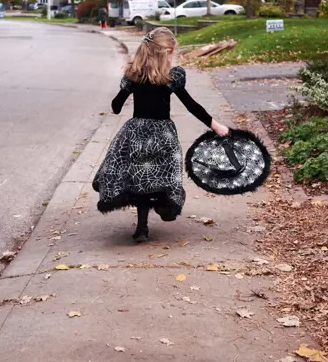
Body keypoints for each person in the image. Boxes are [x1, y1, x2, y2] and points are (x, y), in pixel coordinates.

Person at [92, 27, 229, 242]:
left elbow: (116, 107)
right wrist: (216, 126)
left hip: (135, 135)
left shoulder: (134, 76)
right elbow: (192, 106)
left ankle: (142, 228)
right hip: (162, 137)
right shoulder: (171, 77)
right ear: (165, 53)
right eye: (172, 53)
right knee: (163, 175)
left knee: (140, 179)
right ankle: (166, 207)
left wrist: (126, 90)